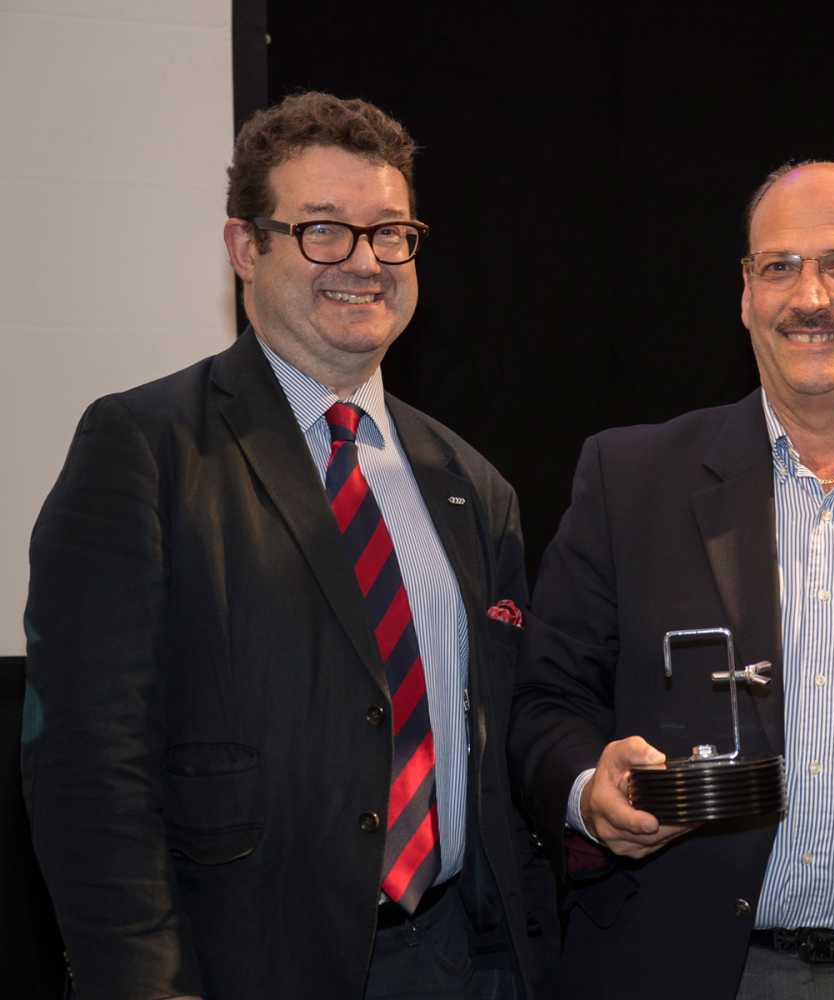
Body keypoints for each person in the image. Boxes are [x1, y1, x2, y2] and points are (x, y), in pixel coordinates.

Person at [22, 92, 556, 999]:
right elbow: (89, 768)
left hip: (461, 962)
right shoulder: (144, 450)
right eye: (322, 230)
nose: (363, 261)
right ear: (245, 248)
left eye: (390, 232)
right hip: (238, 966)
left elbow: (498, 739)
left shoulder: (472, 485)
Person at [509, 161, 834, 999]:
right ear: (746, 292)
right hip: (684, 970)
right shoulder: (631, 480)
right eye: (780, 266)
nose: (809, 297)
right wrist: (583, 787)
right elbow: (542, 703)